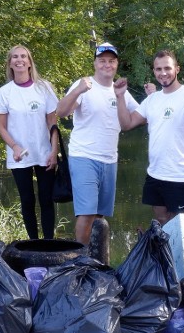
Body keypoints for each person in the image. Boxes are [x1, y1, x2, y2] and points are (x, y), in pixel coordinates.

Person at [115, 50, 184, 227]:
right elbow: (126, 124)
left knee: (182, 228)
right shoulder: (153, 100)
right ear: (154, 72)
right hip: (156, 173)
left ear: (177, 69)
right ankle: (167, 256)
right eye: (158, 69)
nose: (163, 73)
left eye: (167, 67)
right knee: (162, 221)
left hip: (180, 175)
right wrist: (120, 96)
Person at [55, 43, 139, 245]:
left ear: (117, 64)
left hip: (110, 160)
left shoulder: (120, 91)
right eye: (102, 61)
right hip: (84, 156)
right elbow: (61, 112)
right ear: (95, 63)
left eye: (111, 61)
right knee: (86, 213)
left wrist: (154, 98)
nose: (107, 65)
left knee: (100, 216)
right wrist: (77, 92)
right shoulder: (84, 85)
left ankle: (96, 260)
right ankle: (81, 260)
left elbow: (138, 116)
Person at [0, 46, 59, 239]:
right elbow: (1, 127)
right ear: (10, 63)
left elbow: (52, 123)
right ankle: (33, 242)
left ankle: (48, 242)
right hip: (19, 155)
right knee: (27, 200)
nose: (19, 60)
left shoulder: (43, 87)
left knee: (46, 199)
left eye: (23, 56)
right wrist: (14, 146)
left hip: (44, 153)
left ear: (29, 62)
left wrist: (54, 151)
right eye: (14, 57)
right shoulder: (4, 92)